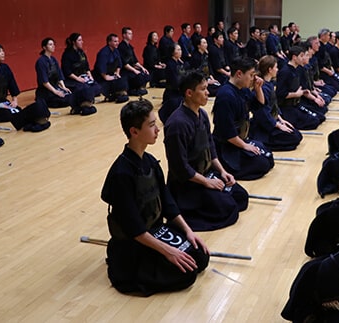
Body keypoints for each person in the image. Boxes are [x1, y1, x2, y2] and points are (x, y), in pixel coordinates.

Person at [101, 99, 209, 296]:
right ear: (134, 132)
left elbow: (168, 203)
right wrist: (169, 251)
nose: (158, 129)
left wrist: (188, 231)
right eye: (151, 125)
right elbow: (135, 229)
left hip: (155, 231)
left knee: (200, 257)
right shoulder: (121, 174)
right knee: (188, 274)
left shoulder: (150, 161)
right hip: (134, 244)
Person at [164, 71, 248, 231]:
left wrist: (222, 172)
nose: (207, 93)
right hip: (188, 185)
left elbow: (210, 147)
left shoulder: (201, 114)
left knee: (240, 197)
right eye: (203, 89)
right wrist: (207, 182)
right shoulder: (177, 124)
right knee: (229, 208)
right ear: (189, 93)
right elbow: (180, 167)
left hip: (206, 173)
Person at [212, 57, 274, 180]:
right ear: (239, 74)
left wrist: (258, 88)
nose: (253, 79)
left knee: (268, 156)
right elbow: (227, 133)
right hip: (227, 146)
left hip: (241, 139)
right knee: (262, 164)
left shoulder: (242, 90)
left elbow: (259, 105)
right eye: (251, 75)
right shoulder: (226, 96)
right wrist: (245, 146)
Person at [0, 43, 50, 131]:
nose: (3, 53)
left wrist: (14, 100)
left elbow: (12, 84)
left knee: (17, 110)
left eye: (3, 50)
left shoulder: (5, 67)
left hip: (2, 101)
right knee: (9, 114)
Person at [249, 55, 302, 151]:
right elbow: (263, 112)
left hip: (273, 120)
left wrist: (281, 119)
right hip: (264, 124)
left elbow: (274, 106)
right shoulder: (263, 88)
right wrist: (277, 125)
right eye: (276, 67)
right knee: (293, 138)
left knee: (297, 135)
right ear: (270, 70)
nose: (277, 70)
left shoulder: (269, 84)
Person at [35, 37, 96, 116]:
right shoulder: (41, 62)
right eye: (50, 45)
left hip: (56, 87)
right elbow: (45, 81)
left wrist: (63, 88)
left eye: (53, 44)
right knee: (65, 100)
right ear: (44, 47)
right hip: (46, 91)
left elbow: (60, 76)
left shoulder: (53, 59)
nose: (53, 46)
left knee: (70, 94)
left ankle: (83, 104)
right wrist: (56, 91)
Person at [275, 46, 325, 130]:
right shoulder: (285, 71)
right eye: (301, 56)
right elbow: (280, 94)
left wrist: (305, 92)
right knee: (314, 122)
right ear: (294, 57)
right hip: (287, 107)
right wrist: (296, 94)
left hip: (296, 104)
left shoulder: (297, 69)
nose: (303, 58)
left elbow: (301, 86)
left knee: (320, 117)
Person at [60, 33, 102, 106]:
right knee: (84, 88)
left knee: (98, 88)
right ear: (74, 42)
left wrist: (90, 76)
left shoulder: (81, 52)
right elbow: (67, 72)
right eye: (79, 40)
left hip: (83, 77)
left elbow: (87, 67)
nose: (82, 42)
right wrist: (77, 79)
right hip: (72, 79)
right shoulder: (67, 55)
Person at [93, 33, 129, 103]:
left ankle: (120, 94)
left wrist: (117, 73)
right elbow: (101, 68)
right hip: (101, 77)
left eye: (118, 41)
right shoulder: (103, 53)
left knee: (123, 79)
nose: (117, 43)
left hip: (112, 74)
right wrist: (106, 77)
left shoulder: (116, 51)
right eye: (115, 41)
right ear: (109, 42)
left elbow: (119, 64)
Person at [158, 43, 189, 124]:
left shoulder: (178, 63)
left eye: (181, 49)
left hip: (179, 89)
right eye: (178, 50)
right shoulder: (170, 64)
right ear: (173, 52)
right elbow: (175, 81)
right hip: (172, 92)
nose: (180, 51)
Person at [118, 27, 150, 96]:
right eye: (129, 33)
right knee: (138, 76)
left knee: (146, 74)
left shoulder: (130, 47)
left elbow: (135, 61)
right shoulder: (121, 47)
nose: (131, 35)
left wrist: (142, 68)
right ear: (124, 35)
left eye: (131, 33)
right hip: (125, 70)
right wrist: (134, 70)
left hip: (132, 68)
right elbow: (125, 64)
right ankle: (132, 89)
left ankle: (139, 88)